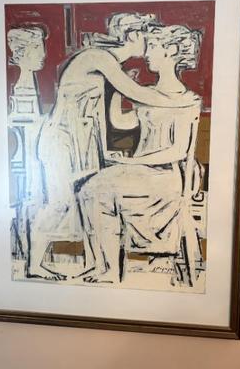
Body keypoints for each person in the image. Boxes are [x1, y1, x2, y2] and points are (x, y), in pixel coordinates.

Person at [27, 15, 198, 280]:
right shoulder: (99, 59)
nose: (148, 48)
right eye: (147, 40)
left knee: (86, 195)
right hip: (63, 139)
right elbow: (136, 97)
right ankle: (36, 265)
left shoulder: (110, 64)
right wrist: (182, 102)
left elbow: (134, 107)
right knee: (60, 203)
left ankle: (101, 266)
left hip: (82, 140)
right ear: (133, 36)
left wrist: (186, 103)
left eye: (154, 44)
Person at [78, 25, 203, 284]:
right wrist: (115, 90)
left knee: (96, 190)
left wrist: (133, 160)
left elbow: (177, 150)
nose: (147, 53)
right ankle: (107, 267)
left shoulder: (187, 100)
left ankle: (109, 269)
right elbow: (120, 121)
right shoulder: (149, 93)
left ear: (171, 51)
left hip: (164, 178)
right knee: (90, 188)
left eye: (154, 46)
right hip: (139, 173)